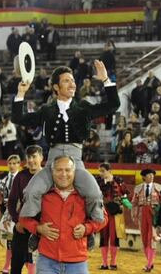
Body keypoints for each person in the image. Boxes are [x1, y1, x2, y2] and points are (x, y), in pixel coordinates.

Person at [11, 61, 120, 224]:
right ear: (56, 87)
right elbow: (18, 118)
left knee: (94, 194)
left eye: (73, 81)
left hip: (75, 162)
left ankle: (90, 230)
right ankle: (35, 230)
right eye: (66, 81)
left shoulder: (83, 107)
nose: (72, 84)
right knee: (31, 191)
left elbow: (113, 104)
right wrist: (20, 93)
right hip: (52, 163)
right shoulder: (47, 110)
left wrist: (106, 80)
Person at [21, 155, 108, 274]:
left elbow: (103, 218)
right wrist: (38, 228)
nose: (63, 174)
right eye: (59, 170)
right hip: (47, 261)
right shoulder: (43, 194)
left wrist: (87, 228)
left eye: (67, 170)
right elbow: (23, 218)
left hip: (77, 262)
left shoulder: (85, 196)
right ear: (52, 172)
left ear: (74, 172)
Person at [7, 145, 43, 274]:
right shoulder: (21, 176)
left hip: (42, 227)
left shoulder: (48, 176)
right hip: (23, 225)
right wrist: (16, 221)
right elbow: (11, 201)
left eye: (34, 156)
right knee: (16, 264)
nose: (31, 160)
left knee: (42, 264)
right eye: (29, 157)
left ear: (41, 158)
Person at [95, 163, 130, 270]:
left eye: (102, 171)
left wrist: (125, 202)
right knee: (103, 237)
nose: (100, 173)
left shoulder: (118, 181)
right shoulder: (98, 182)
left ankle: (113, 263)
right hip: (103, 213)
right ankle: (105, 263)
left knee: (114, 237)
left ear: (109, 171)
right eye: (100, 171)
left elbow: (126, 194)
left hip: (116, 214)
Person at [0, 154, 22, 274]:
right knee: (9, 240)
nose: (12, 166)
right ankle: (7, 265)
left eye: (15, 163)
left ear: (19, 164)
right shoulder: (4, 178)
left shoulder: (22, 177)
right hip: (8, 213)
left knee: (20, 241)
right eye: (10, 163)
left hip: (21, 212)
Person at [131, 168, 161, 272]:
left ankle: (149, 265)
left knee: (152, 239)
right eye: (149, 175)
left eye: (153, 175)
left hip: (154, 215)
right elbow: (134, 203)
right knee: (144, 239)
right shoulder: (138, 188)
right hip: (142, 214)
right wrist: (134, 216)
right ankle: (150, 262)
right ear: (144, 177)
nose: (152, 176)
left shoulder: (159, 188)